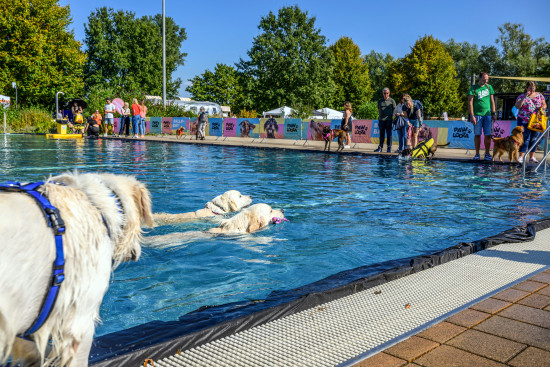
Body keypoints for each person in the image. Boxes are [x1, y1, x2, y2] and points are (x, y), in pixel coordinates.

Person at [515, 81, 548, 163]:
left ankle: (532, 157)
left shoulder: (539, 95)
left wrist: (543, 107)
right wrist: (524, 98)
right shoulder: (522, 96)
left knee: (534, 139)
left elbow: (545, 104)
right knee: (525, 138)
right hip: (524, 120)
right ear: (526, 88)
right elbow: (517, 106)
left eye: (533, 89)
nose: (532, 90)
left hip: (536, 121)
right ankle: (521, 156)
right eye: (530, 88)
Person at [468, 72, 496, 161]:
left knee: (488, 135)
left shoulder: (489, 87)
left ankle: (487, 153)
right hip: (477, 115)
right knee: (477, 134)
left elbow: (492, 101)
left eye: (487, 79)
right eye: (484, 79)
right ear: (479, 79)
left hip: (487, 115)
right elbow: (470, 102)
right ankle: (477, 154)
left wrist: (493, 113)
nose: (485, 81)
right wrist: (472, 115)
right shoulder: (473, 88)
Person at [375, 88, 396, 153]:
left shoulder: (392, 101)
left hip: (389, 120)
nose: (386, 94)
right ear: (383, 93)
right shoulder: (380, 101)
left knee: (389, 134)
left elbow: (394, 110)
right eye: (384, 93)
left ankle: (389, 148)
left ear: (389, 93)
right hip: (381, 120)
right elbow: (378, 109)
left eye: (387, 93)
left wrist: (392, 117)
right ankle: (380, 147)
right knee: (381, 134)